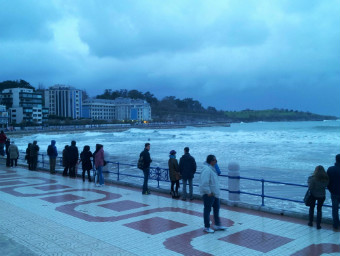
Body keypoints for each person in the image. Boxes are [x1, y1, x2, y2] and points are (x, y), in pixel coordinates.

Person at [199, 155, 227, 233]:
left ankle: (217, 225)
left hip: (214, 193)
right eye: (215, 160)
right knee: (207, 210)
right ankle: (206, 227)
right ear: (211, 161)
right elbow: (204, 183)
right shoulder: (207, 170)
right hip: (209, 194)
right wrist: (208, 192)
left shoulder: (212, 169)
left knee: (216, 209)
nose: (216, 161)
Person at [327, 154, 340, 230]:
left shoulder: (331, 169)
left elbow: (327, 182)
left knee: (335, 209)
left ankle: (335, 224)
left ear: (336, 159)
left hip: (334, 192)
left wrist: (331, 189)